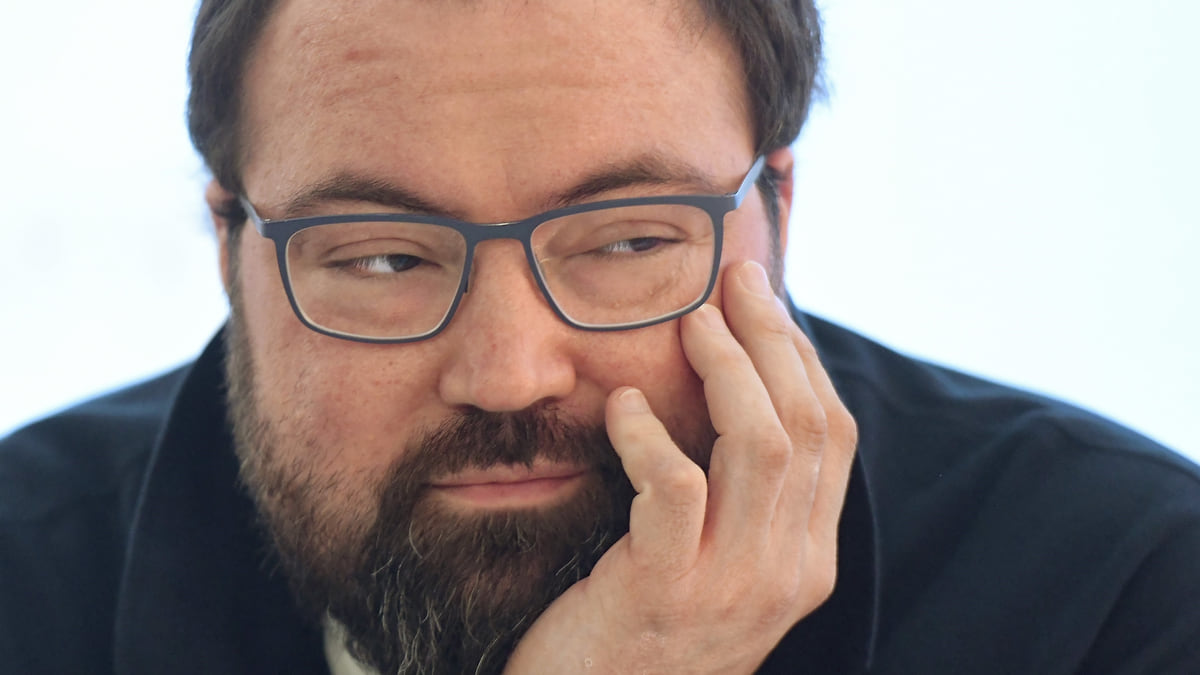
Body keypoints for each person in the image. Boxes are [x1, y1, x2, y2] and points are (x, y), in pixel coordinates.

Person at [1, 0, 1197, 673]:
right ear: (228, 246)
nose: (508, 373)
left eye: (627, 241)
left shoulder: (1121, 596)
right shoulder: (24, 583)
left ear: (778, 212)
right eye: (382, 258)